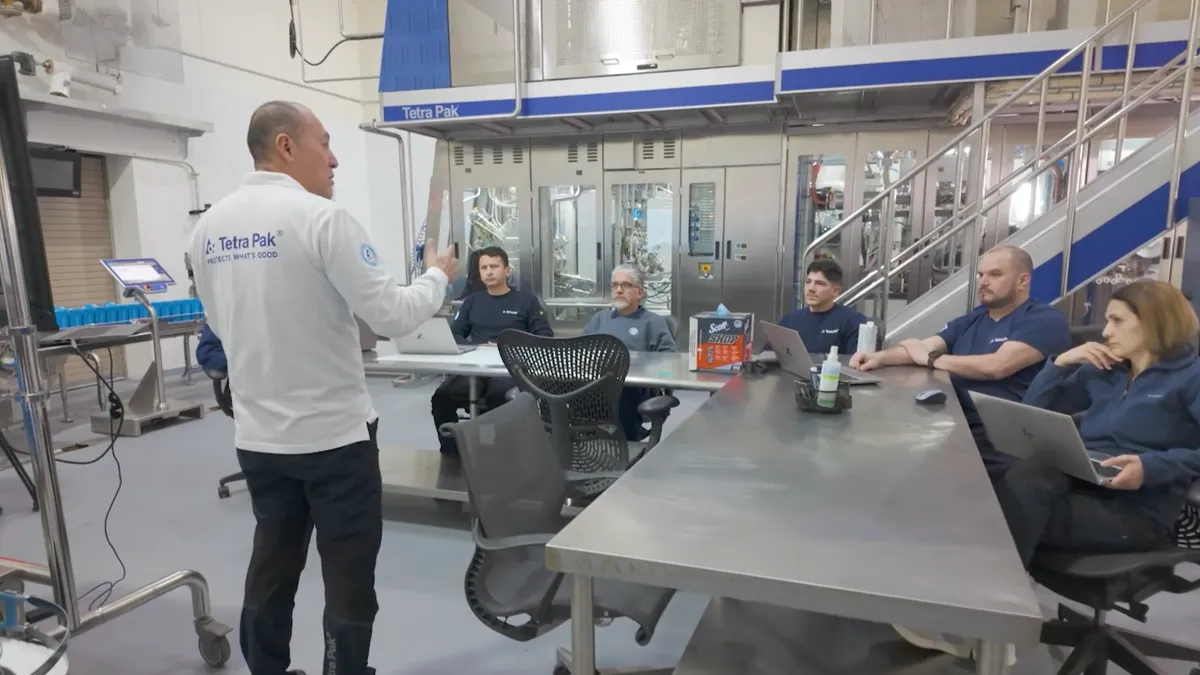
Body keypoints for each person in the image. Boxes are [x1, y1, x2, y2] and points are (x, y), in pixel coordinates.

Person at [189, 100, 459, 675]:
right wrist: (438, 274)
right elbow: (391, 315)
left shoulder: (207, 229)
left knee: (272, 563)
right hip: (335, 440)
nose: (334, 160)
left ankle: (266, 668)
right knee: (347, 572)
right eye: (325, 144)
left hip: (260, 441)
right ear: (286, 146)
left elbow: (216, 323)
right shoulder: (321, 220)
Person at [995, 280, 1200, 567]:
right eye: (1107, 321)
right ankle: (1005, 595)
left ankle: (1003, 596)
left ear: (1155, 322)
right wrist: (1059, 364)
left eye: (1117, 321)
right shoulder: (1105, 370)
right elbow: (1033, 415)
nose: (1105, 332)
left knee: (1002, 516)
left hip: (1137, 507)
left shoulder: (1191, 377)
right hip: (1083, 479)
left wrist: (1151, 467)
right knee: (1023, 480)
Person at [849, 245, 1072, 474]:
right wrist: (879, 358)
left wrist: (932, 359)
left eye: (994, 274)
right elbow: (923, 347)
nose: (983, 281)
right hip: (956, 419)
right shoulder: (974, 319)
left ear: (1023, 281)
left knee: (906, 467)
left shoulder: (1044, 320)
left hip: (1002, 436)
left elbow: (996, 366)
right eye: (981, 274)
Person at [432, 245, 552, 456]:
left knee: (500, 398)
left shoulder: (526, 302)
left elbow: (544, 337)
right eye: (484, 267)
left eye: (494, 266)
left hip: (511, 369)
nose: (488, 271)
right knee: (442, 397)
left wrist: (508, 346)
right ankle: (452, 454)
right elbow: (455, 334)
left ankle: (501, 457)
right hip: (476, 368)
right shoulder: (472, 301)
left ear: (507, 271)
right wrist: (476, 347)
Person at [582, 264, 677, 441]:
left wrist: (643, 365)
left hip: (632, 388)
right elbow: (579, 350)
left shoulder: (652, 323)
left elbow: (670, 358)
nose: (618, 290)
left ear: (639, 292)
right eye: (614, 285)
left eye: (625, 285)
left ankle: (621, 446)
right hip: (594, 384)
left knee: (622, 394)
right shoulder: (599, 319)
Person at [767, 259, 868, 354]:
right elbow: (767, 356)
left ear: (835, 291)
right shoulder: (790, 320)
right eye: (808, 282)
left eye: (820, 283)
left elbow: (857, 364)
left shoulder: (852, 321)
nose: (811, 288)